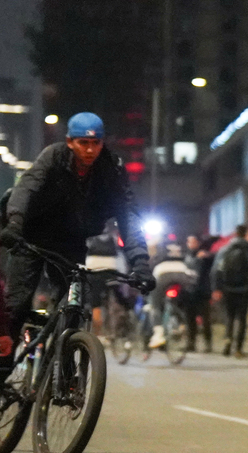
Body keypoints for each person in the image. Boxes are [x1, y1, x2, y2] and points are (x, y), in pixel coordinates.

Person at [0, 112, 154, 371]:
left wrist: (140, 261)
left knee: (72, 306)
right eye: (83, 143)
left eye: (96, 143)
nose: (90, 149)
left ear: (102, 143)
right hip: (31, 235)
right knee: (17, 305)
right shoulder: (54, 156)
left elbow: (128, 214)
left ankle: (63, 370)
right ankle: (3, 371)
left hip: (71, 241)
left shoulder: (111, 168)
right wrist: (14, 223)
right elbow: (26, 188)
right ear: (70, 142)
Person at [211, 224, 248, 358]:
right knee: (242, 318)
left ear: (234, 234)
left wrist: (216, 288)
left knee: (229, 316)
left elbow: (216, 270)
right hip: (244, 288)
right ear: (245, 234)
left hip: (227, 287)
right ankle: (239, 349)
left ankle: (227, 341)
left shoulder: (224, 250)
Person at [147, 242, 198, 349]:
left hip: (163, 275)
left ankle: (158, 334)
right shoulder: (180, 250)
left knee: (155, 304)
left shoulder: (158, 253)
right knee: (180, 299)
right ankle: (180, 324)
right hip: (183, 274)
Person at [184, 234, 215, 352]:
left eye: (193, 242)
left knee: (206, 319)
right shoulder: (186, 256)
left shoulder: (204, 255)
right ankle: (191, 343)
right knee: (189, 319)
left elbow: (213, 264)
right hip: (189, 291)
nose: (190, 244)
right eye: (189, 242)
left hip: (202, 292)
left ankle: (208, 343)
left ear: (198, 243)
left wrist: (207, 256)